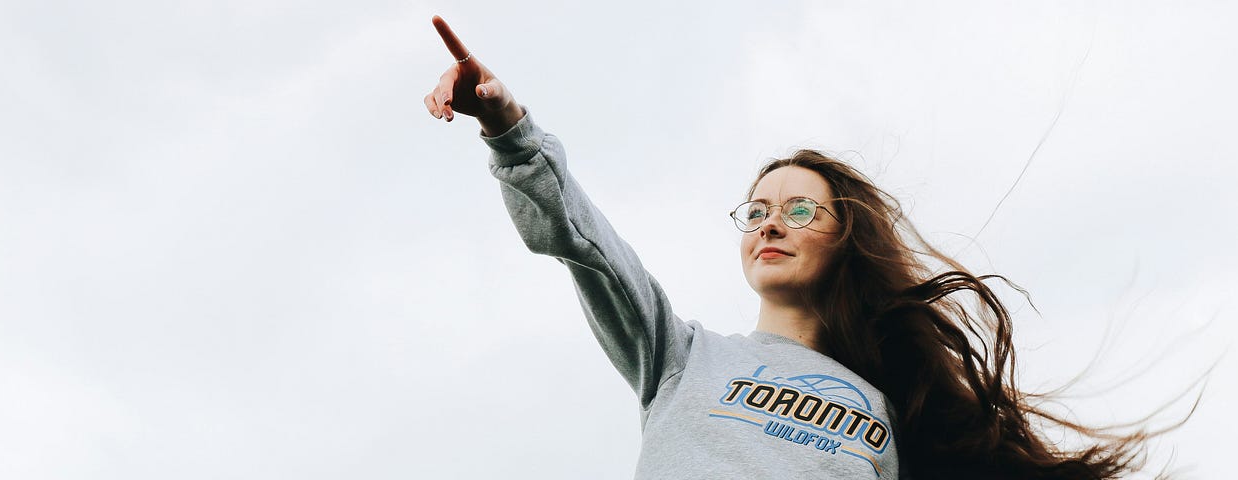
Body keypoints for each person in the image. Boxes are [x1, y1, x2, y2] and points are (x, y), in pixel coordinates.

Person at [423, 16, 1174, 480]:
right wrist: (509, 128)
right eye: (756, 210)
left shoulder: (890, 413)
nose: (769, 224)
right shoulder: (681, 357)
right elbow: (589, 248)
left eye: (798, 208)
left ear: (847, 236)